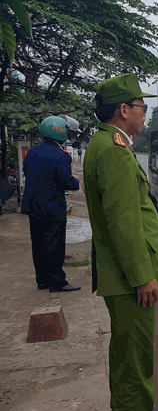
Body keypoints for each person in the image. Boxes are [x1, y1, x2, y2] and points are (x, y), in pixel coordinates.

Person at [83, 73, 158, 411]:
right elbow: (125, 222)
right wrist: (142, 276)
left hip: (122, 273)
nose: (144, 112)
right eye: (141, 106)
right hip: (128, 277)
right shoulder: (114, 151)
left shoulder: (110, 144)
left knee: (129, 350)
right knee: (132, 354)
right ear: (123, 110)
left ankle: (134, 409)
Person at [21, 116, 81, 292]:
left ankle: (42, 280)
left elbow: (28, 172)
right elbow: (65, 181)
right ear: (61, 133)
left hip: (33, 205)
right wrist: (75, 181)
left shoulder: (33, 151)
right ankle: (57, 282)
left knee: (38, 244)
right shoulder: (61, 156)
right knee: (54, 245)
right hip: (52, 207)